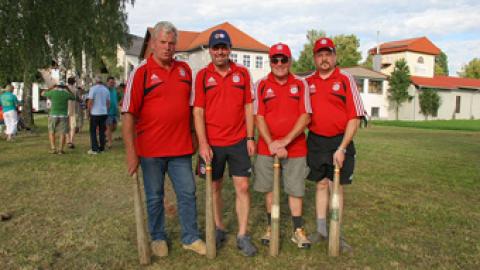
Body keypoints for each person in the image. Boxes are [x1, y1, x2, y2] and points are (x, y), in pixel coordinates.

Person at [122, 21, 206, 257]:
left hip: (180, 148)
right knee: (155, 196)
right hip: (150, 150)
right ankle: (158, 237)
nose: (168, 47)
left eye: (171, 43)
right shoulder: (141, 72)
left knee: (188, 193)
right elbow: (128, 115)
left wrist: (194, 136)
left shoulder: (185, 70)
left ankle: (190, 237)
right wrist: (131, 153)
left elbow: (191, 108)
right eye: (163, 43)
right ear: (153, 44)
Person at [192, 29, 257, 256]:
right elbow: (198, 112)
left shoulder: (243, 74)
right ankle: (218, 227)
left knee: (243, 187)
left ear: (230, 49)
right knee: (214, 187)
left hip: (239, 140)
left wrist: (250, 137)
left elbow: (249, 106)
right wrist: (202, 143)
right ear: (210, 51)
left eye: (224, 47)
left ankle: (242, 235)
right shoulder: (202, 76)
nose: (220, 52)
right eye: (216, 48)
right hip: (212, 144)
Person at [305, 37, 365, 252]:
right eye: (320, 55)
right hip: (316, 140)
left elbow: (355, 117)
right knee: (320, 184)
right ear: (315, 58)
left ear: (334, 56)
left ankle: (336, 233)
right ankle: (321, 230)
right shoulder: (308, 82)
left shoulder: (346, 79)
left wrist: (342, 147)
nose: (324, 58)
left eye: (328, 54)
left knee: (335, 186)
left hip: (340, 141)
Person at [253, 43, 312, 249]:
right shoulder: (260, 84)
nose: (279, 64)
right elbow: (258, 117)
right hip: (266, 147)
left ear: (290, 61)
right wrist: (271, 143)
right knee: (269, 189)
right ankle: (272, 227)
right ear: (270, 62)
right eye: (275, 60)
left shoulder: (301, 84)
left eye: (283, 59)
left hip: (294, 146)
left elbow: (305, 116)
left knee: (295, 189)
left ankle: (297, 230)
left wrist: (285, 141)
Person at [42, 82, 76, 154]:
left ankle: (53, 148)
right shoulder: (66, 94)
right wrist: (68, 89)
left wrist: (51, 87)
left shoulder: (52, 92)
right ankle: (60, 149)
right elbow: (74, 97)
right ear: (64, 87)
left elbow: (42, 93)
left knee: (51, 131)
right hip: (63, 115)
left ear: (56, 86)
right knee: (62, 133)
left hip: (53, 114)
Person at [87, 76, 110, 155]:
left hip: (95, 113)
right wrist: (106, 111)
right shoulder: (106, 90)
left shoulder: (93, 89)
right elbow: (108, 103)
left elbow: (90, 101)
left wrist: (88, 111)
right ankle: (102, 147)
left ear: (95, 81)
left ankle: (94, 148)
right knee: (102, 131)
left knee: (93, 131)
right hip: (104, 112)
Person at [66, 77, 82, 149]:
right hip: (73, 109)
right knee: (73, 126)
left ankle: (67, 140)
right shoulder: (75, 90)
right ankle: (71, 141)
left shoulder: (64, 89)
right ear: (74, 82)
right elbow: (79, 99)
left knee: (66, 126)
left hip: (65, 109)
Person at [105, 76, 119, 148]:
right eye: (111, 82)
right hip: (108, 112)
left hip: (114, 112)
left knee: (114, 127)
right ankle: (109, 143)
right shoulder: (105, 90)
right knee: (109, 128)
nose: (112, 84)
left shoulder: (114, 90)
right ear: (107, 82)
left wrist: (117, 110)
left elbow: (115, 100)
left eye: (113, 82)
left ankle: (105, 134)